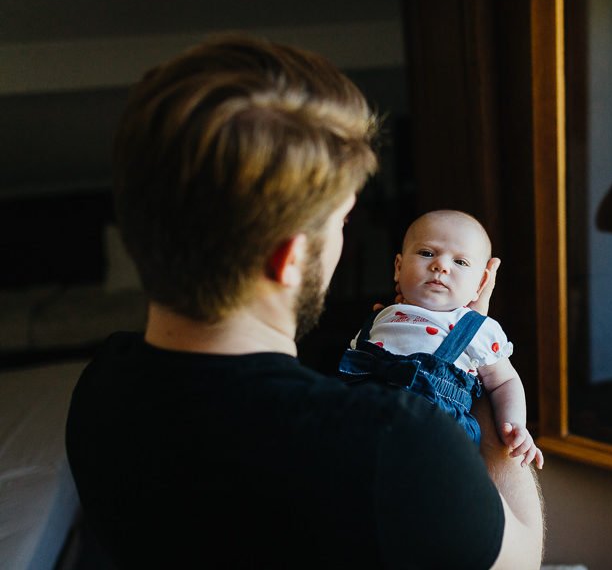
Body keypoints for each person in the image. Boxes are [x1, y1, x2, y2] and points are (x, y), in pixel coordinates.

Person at [64, 35, 544, 569]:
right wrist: (469, 348)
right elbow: (522, 557)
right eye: (341, 221)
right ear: (288, 256)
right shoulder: (397, 444)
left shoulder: (100, 386)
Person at [339, 210, 543, 468]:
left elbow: (504, 381)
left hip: (436, 448)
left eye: (461, 262)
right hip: (364, 434)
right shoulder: (381, 317)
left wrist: (514, 425)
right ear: (398, 268)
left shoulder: (476, 329)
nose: (441, 266)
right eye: (427, 253)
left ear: (481, 283)